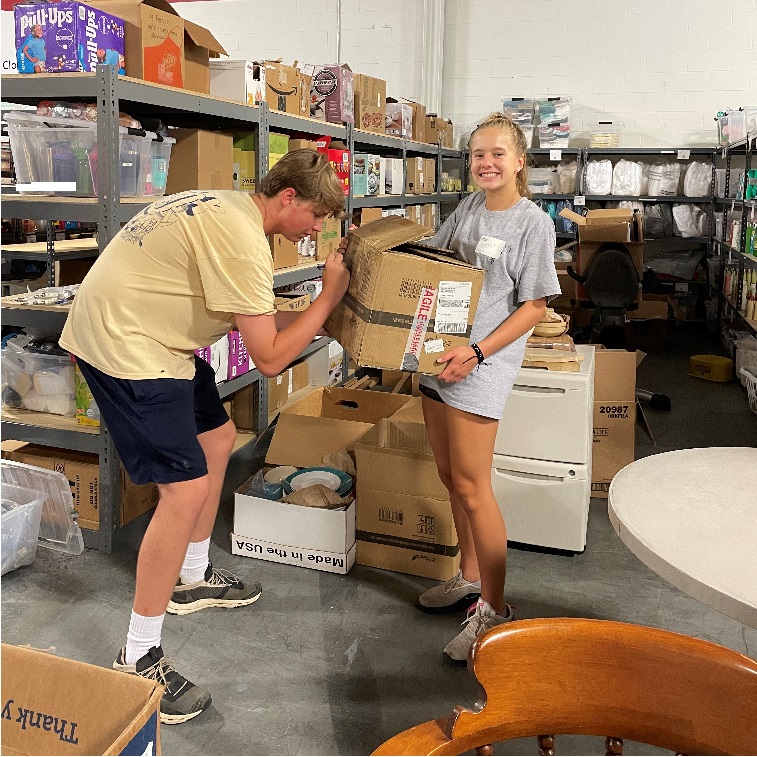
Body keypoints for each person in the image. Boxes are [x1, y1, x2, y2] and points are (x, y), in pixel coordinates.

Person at [59, 149, 349, 723]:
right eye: (315, 216)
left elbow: (261, 326)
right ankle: (138, 654)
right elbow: (268, 359)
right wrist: (328, 299)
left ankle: (191, 576)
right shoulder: (243, 242)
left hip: (156, 337)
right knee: (185, 490)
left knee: (218, 439)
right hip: (128, 347)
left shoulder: (229, 209)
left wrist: (323, 312)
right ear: (286, 199)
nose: (317, 229)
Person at [415, 113, 561, 663]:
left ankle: (494, 611)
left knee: (476, 488)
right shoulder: (471, 207)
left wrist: (477, 351)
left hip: (479, 364)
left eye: (498, 153)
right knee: (451, 477)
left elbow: (534, 306)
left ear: (520, 161)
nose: (486, 163)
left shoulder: (532, 224)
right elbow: (436, 253)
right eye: (477, 154)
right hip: (439, 355)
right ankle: (468, 579)